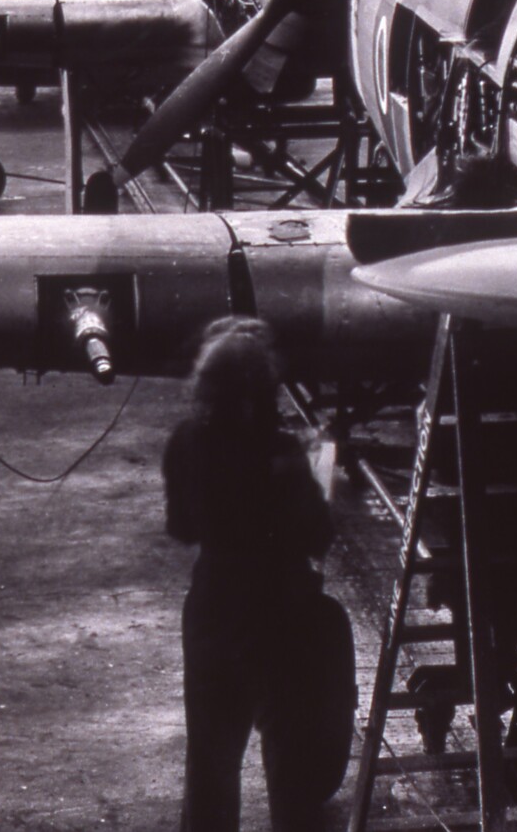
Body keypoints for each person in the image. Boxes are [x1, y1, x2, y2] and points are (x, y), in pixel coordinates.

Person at [164, 317, 353, 832]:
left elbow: (181, 526)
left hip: (213, 613)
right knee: (290, 771)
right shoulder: (282, 454)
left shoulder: (185, 443)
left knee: (210, 766)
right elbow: (317, 537)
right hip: (279, 618)